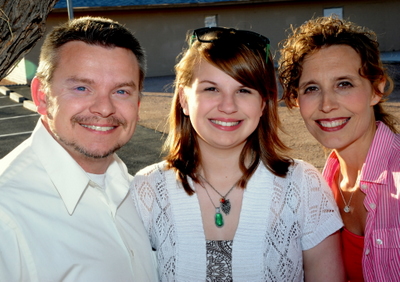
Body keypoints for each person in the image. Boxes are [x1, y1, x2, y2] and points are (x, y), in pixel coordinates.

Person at [131, 26, 345, 281]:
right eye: (211, 89)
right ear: (184, 100)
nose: (228, 106)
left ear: (264, 104)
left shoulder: (303, 186)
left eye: (244, 90)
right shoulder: (146, 190)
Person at [0, 16, 157, 281]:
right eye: (82, 88)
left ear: (138, 104)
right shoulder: (7, 214)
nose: (104, 108)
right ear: (42, 96)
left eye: (121, 92)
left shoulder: (141, 194)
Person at [279, 16, 400, 281]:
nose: (326, 104)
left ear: (376, 89)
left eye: (343, 84)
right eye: (311, 88)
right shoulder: (320, 186)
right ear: (296, 99)